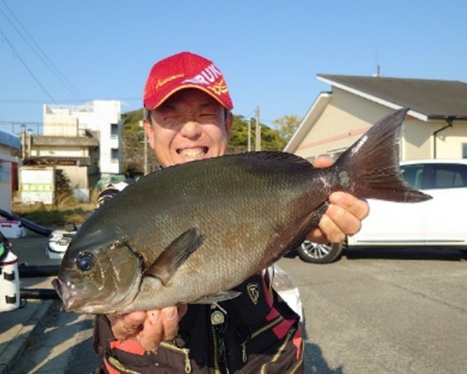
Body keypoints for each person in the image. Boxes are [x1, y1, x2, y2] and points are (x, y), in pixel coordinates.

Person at [92, 51, 369, 373]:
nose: (191, 130)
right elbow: (102, 244)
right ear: (149, 130)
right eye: (171, 117)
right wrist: (117, 313)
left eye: (206, 114)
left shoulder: (255, 185)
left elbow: (290, 236)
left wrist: (323, 210)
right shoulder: (120, 204)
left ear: (228, 123)